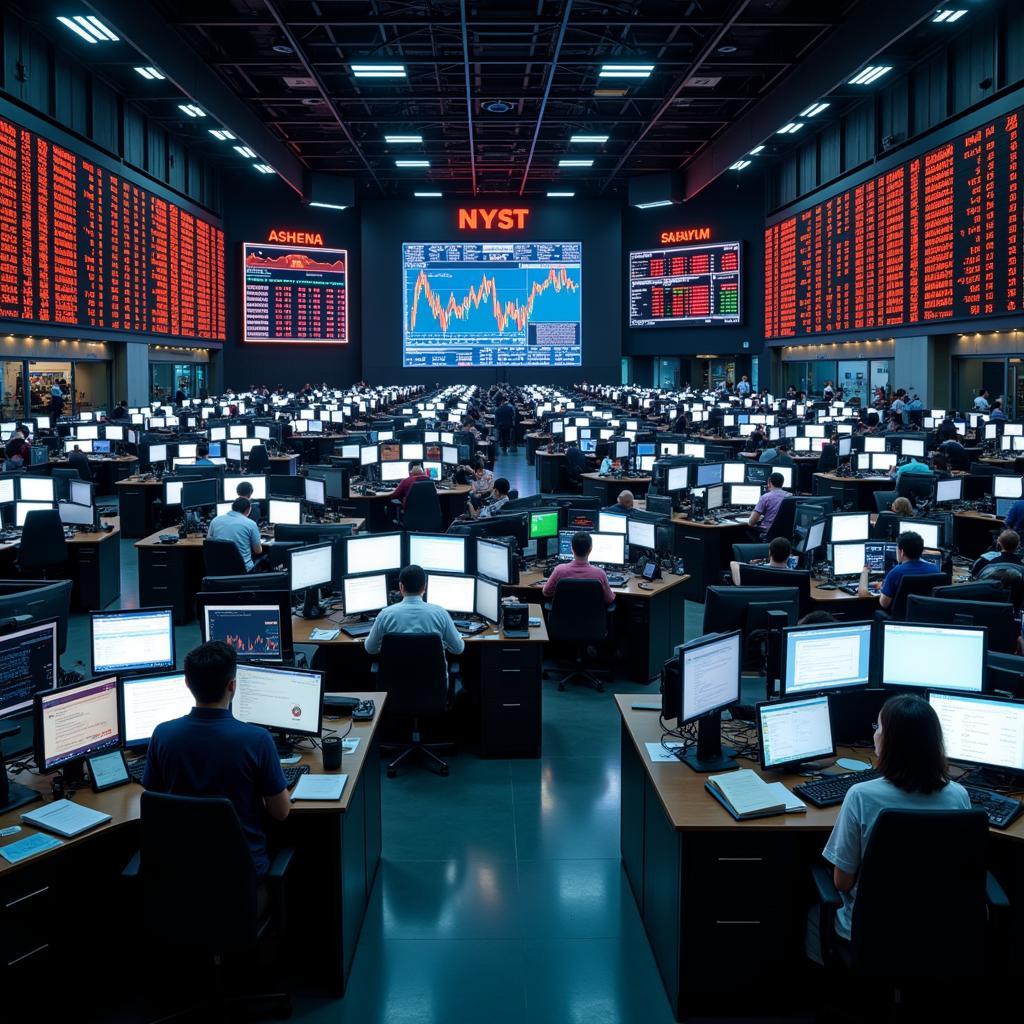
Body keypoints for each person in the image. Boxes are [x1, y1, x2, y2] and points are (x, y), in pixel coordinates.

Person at [807, 693, 969, 963]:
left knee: (813, 913)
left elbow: (842, 882)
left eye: (879, 727)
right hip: (939, 933)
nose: (875, 734)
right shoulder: (958, 796)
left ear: (890, 742)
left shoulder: (861, 796)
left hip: (868, 933)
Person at [142, 641, 290, 876]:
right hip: (241, 884)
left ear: (187, 683)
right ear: (232, 686)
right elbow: (281, 812)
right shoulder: (257, 740)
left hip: (179, 877)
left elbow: (154, 795)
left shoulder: (162, 735)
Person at [364, 564, 465, 656]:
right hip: (431, 676)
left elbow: (370, 648)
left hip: (396, 676)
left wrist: (389, 646)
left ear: (401, 586)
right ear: (424, 587)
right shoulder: (441, 614)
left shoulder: (385, 615)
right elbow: (458, 649)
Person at [859, 530, 941, 608]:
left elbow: (884, 604)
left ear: (901, 552)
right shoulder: (935, 569)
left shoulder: (896, 572)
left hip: (899, 618)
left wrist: (864, 572)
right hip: (925, 617)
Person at [542, 531, 614, 606]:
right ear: (590, 549)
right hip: (592, 617)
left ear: (572, 548)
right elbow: (609, 599)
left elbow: (546, 592)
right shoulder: (599, 573)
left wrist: (562, 592)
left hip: (564, 617)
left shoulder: (559, 570)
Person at [208, 497, 264, 571]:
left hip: (219, 568)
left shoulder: (215, 520)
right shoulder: (251, 524)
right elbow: (258, 550)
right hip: (242, 569)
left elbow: (209, 541)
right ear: (248, 510)